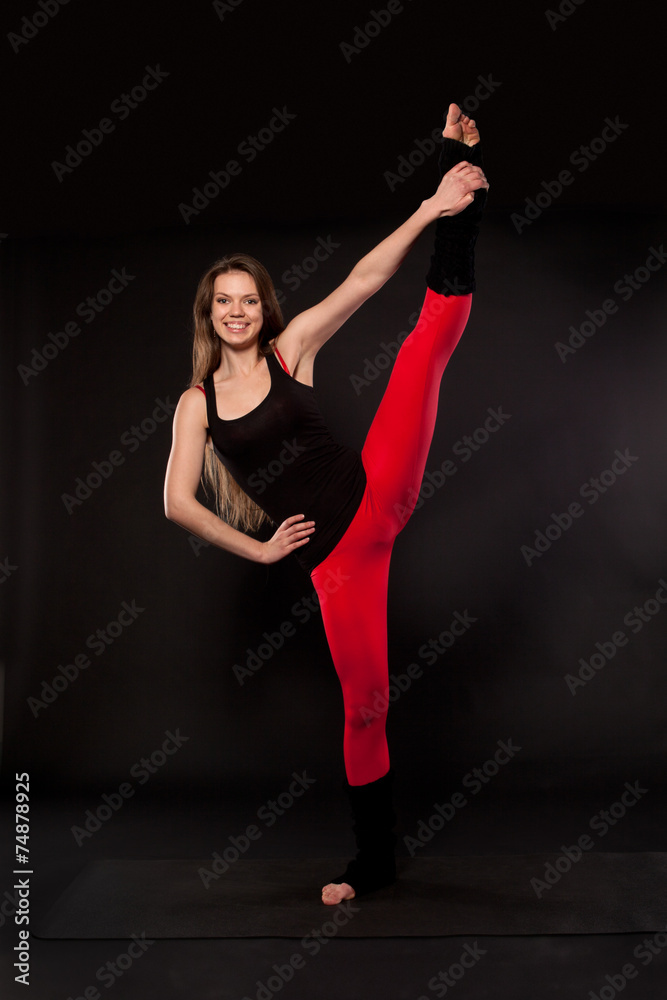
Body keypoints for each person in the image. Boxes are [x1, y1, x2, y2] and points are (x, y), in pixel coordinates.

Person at [164, 103, 488, 905]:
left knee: (426, 344)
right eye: (222, 303)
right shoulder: (196, 403)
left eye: (246, 299)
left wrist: (430, 205)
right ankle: (373, 861)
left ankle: (459, 180)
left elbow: (364, 280)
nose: (236, 311)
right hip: (338, 561)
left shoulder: (290, 348)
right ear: (209, 316)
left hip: (374, 488)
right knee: (366, 705)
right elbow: (176, 501)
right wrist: (263, 548)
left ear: (260, 307)